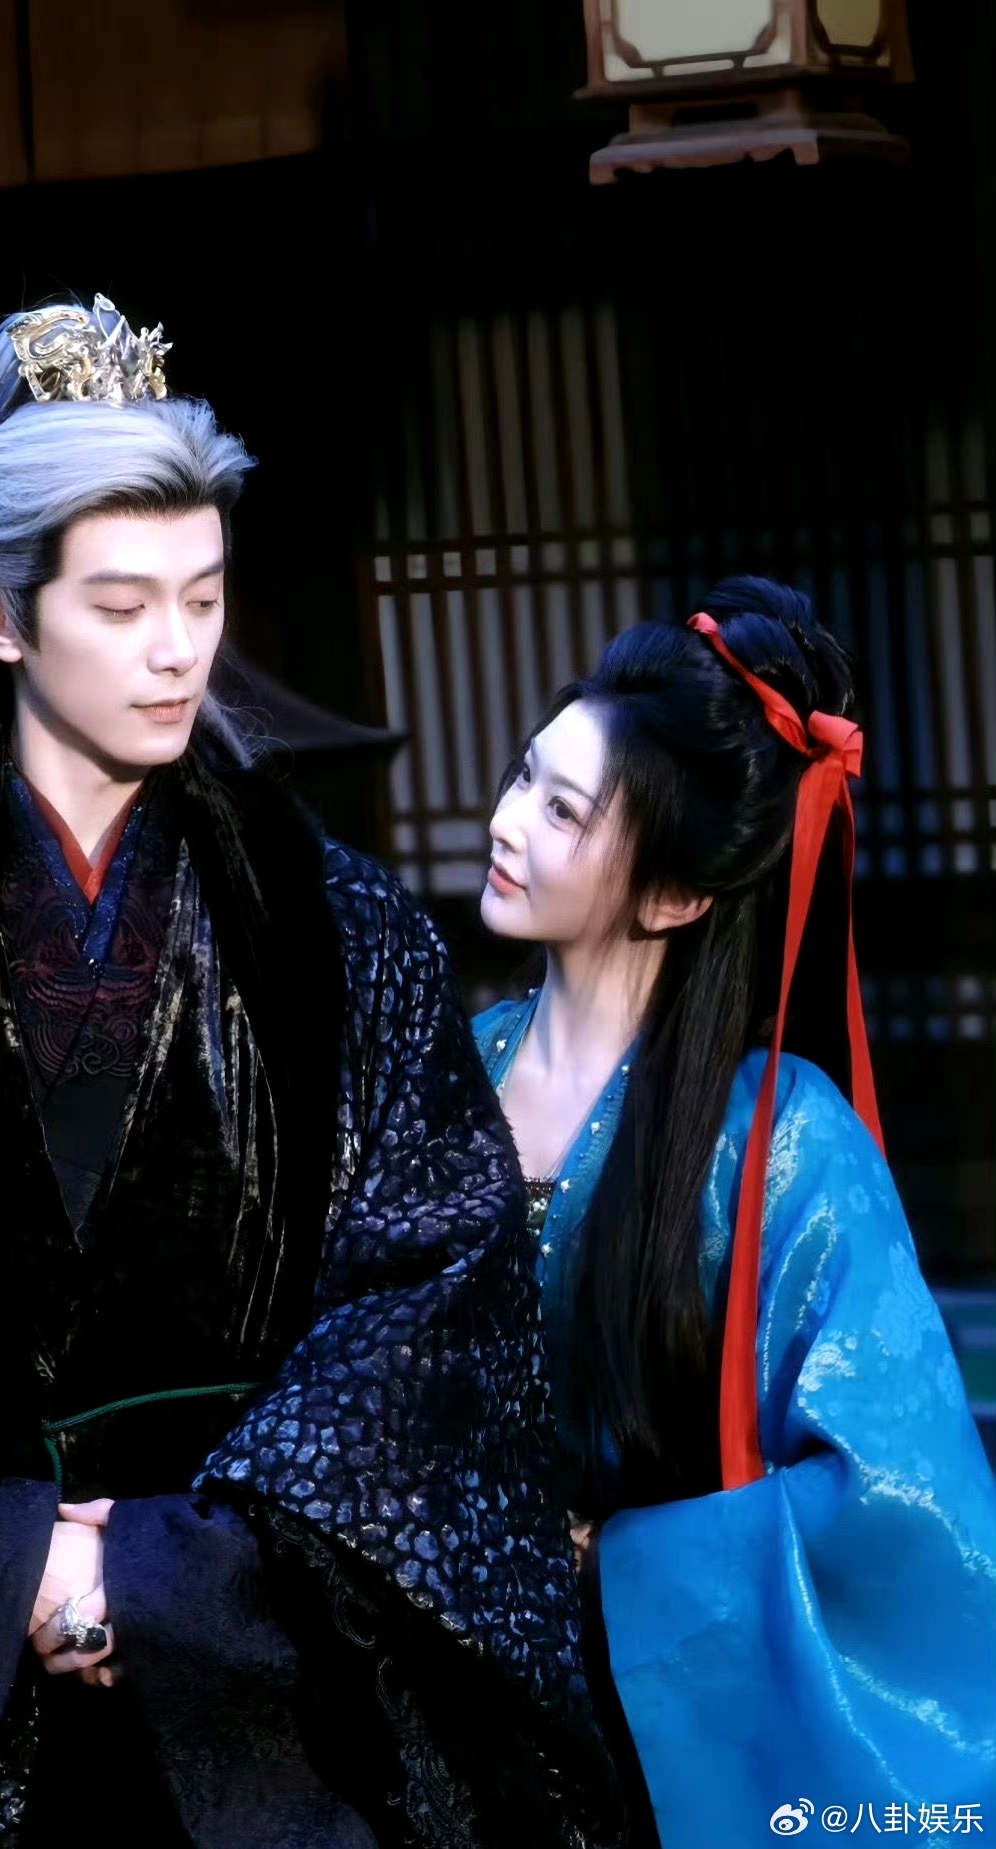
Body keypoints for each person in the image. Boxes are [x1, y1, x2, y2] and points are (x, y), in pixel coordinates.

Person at [0, 298, 626, 1848]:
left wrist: (163, 1576)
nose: (178, 648)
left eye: (201, 594)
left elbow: (427, 1310)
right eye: (121, 603)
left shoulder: (344, 934)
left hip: (273, 1690)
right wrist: (18, 1570)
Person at [473, 577, 996, 1848]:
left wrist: (620, 1563)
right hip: (442, 1682)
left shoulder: (781, 1140)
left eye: (561, 810)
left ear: (675, 896)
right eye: (523, 776)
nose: (505, 821)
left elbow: (903, 1499)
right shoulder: (448, 1073)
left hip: (660, 1729)